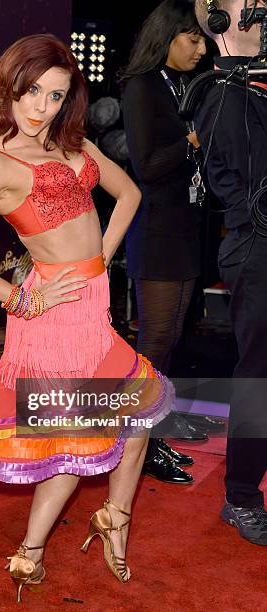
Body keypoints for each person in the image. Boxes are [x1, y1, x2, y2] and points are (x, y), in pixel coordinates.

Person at [0, 34, 175, 602]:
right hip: (50, 320)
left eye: (54, 95)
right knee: (80, 437)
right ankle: (30, 553)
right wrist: (23, 299)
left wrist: (101, 258)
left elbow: (128, 195)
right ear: (8, 89)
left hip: (91, 306)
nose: (41, 108)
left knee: (137, 411)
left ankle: (113, 519)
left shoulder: (71, 143)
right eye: (31, 92)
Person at [121, 0, 208, 485]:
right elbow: (147, 166)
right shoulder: (142, 87)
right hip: (155, 231)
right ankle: (140, 445)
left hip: (186, 229)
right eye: (192, 38)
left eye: (202, 39)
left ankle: (154, 433)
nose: (201, 48)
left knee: (171, 339)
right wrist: (193, 142)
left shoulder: (188, 86)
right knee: (154, 341)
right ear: (168, 36)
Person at [193, 0, 267, 545]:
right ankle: (241, 496)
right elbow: (241, 191)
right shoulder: (222, 94)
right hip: (256, 249)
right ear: (220, 21)